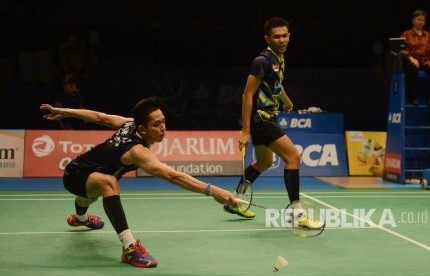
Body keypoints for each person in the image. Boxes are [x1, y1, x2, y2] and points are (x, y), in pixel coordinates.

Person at [40, 97, 239, 268]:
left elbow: (99, 117)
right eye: (157, 125)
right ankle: (129, 247)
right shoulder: (137, 150)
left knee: (91, 194)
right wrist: (213, 191)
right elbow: (173, 176)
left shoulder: (130, 123)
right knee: (108, 183)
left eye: (163, 122)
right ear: (142, 129)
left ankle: (79, 219)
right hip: (74, 174)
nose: (163, 128)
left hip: (89, 173)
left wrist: (65, 112)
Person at [222, 17, 323, 230]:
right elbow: (247, 95)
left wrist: (286, 101)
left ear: (289, 36)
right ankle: (297, 212)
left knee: (264, 162)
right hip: (262, 118)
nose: (282, 40)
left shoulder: (280, 58)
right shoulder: (262, 60)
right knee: (293, 156)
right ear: (267, 38)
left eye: (285, 36)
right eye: (277, 37)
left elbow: (276, 84)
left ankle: (236, 201)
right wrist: (245, 131)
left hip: (269, 116)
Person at [400, 9, 430, 106]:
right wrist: (411, 59)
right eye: (418, 19)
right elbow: (402, 50)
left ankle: (429, 97)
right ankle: (412, 98)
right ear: (413, 21)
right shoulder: (406, 34)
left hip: (425, 62)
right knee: (412, 69)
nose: (420, 22)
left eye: (422, 20)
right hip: (410, 61)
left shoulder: (428, 36)